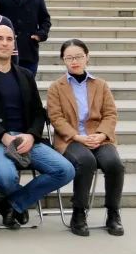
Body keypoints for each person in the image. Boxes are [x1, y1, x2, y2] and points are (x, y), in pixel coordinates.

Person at [0, 25, 74, 229]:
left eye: (9, 39)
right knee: (6, 178)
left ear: (14, 45)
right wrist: (3, 135)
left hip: (26, 139)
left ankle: (13, 204)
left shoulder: (25, 75)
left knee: (65, 170)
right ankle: (17, 203)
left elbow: (38, 112)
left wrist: (31, 135)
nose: (4, 43)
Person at [46, 39, 124, 236]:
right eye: (69, 58)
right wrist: (78, 137)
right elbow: (56, 118)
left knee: (115, 164)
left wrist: (101, 134)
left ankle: (113, 213)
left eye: (79, 57)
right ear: (63, 60)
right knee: (86, 161)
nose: (74, 61)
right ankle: (78, 213)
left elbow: (110, 114)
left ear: (87, 57)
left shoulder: (101, 85)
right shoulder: (56, 87)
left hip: (99, 137)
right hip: (71, 139)